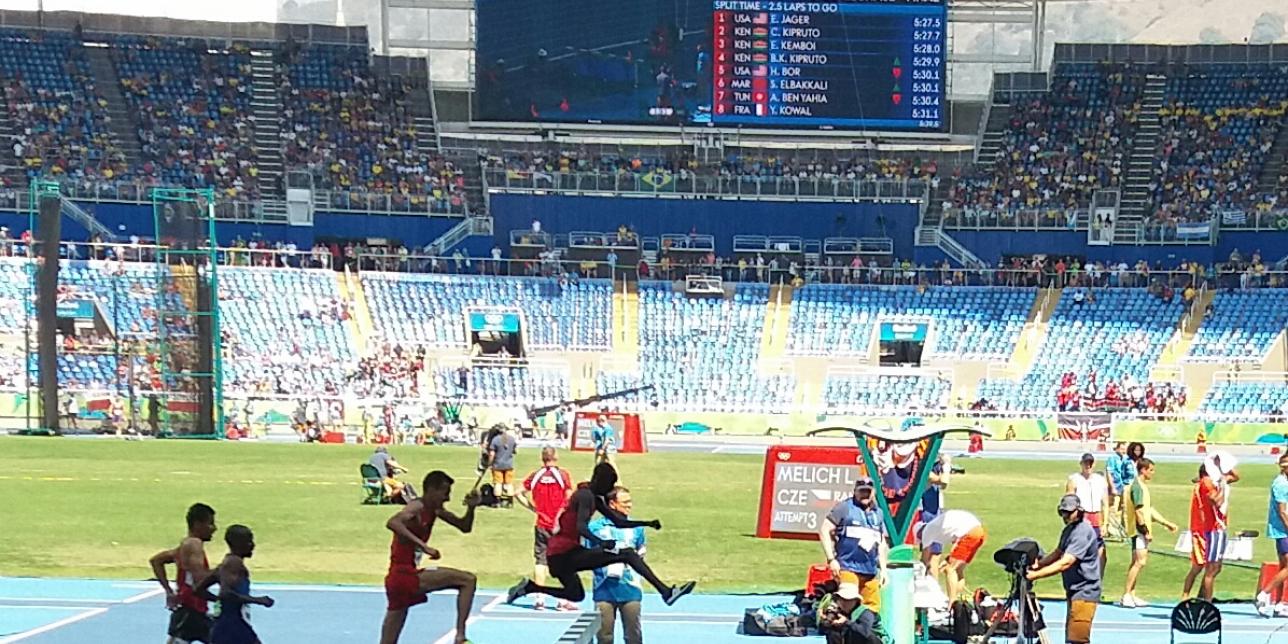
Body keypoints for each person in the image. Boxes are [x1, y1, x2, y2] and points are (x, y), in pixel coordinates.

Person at [505, 463, 695, 607]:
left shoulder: (593, 497)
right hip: (563, 554)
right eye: (610, 484)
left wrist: (646, 523)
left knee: (576, 595)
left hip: (561, 554)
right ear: (601, 481)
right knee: (627, 553)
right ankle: (666, 592)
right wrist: (602, 542)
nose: (611, 488)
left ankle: (530, 587)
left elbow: (618, 521)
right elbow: (580, 527)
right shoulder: (585, 497)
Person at [381, 471, 482, 644]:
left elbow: (464, 527)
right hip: (404, 575)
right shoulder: (417, 506)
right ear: (431, 490)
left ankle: (460, 636)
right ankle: (460, 637)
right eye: (445, 493)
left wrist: (471, 507)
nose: (447, 498)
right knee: (467, 580)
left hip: (398, 578)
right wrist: (424, 546)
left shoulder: (434, 510)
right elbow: (393, 522)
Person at [1027, 494, 1101, 644]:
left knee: (1077, 639)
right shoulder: (1069, 530)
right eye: (1063, 513)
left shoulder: (1082, 532)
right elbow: (1058, 553)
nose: (1065, 516)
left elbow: (1065, 562)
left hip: (1085, 591)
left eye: (1069, 512)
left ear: (1079, 511)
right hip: (1074, 590)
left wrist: (1036, 575)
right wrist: (1038, 564)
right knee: (1071, 636)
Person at [516, 446, 576, 611]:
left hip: (541, 523)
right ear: (555, 457)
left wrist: (532, 508)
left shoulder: (536, 476)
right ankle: (563, 600)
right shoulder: (562, 475)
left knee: (541, 561)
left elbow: (517, 492)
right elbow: (569, 496)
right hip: (559, 525)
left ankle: (539, 598)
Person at [148, 503, 217, 644]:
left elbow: (156, 561)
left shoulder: (183, 546)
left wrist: (168, 591)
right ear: (198, 524)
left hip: (191, 610)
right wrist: (223, 572)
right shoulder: (194, 544)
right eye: (210, 523)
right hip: (190, 609)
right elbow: (200, 579)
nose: (214, 528)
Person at [195, 525, 273, 644]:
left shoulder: (224, 565)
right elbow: (226, 593)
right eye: (248, 541)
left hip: (227, 625)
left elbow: (199, 590)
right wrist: (257, 600)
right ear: (237, 543)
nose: (252, 545)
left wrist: (218, 601)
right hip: (232, 626)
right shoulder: (233, 563)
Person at [587, 486, 646, 644]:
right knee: (604, 636)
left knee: (633, 636)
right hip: (603, 591)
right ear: (612, 504)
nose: (629, 505)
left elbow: (641, 550)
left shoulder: (636, 528)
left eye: (630, 501)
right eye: (625, 502)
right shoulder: (595, 528)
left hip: (631, 590)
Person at [819, 476, 887, 612]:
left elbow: (881, 543)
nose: (865, 495)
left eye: (868, 492)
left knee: (872, 610)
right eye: (862, 491)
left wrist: (884, 569)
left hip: (870, 571)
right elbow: (824, 529)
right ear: (855, 491)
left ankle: (864, 632)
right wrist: (831, 559)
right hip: (847, 567)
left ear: (873, 492)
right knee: (846, 604)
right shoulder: (845, 508)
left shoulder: (878, 513)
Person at [1181, 452, 1239, 601]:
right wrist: (1223, 486)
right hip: (1213, 528)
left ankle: (1202, 596)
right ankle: (1204, 601)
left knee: (1216, 567)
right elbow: (1216, 501)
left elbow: (1236, 476)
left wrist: (1224, 464)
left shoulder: (1216, 481)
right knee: (1208, 568)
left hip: (1218, 527)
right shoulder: (1207, 483)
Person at [1120, 458, 1177, 608]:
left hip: (1140, 530)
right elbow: (1139, 511)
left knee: (1136, 562)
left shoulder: (1143, 487)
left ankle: (1132, 593)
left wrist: (1166, 523)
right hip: (1138, 531)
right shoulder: (1137, 487)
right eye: (1151, 470)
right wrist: (1145, 531)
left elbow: (1148, 510)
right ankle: (1126, 594)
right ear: (1143, 470)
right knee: (1140, 562)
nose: (1153, 473)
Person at [917, 509, 986, 600]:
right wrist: (947, 559)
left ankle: (952, 603)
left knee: (949, 569)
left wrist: (921, 575)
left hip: (969, 534)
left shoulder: (926, 532)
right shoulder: (937, 526)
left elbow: (924, 561)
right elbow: (956, 542)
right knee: (958, 570)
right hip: (979, 531)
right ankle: (956, 599)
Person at [1257, 453, 1288, 617]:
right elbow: (1283, 512)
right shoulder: (1281, 484)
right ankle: (1264, 594)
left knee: (1284, 567)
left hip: (1283, 530)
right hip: (1283, 530)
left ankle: (1279, 605)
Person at [1065, 453, 1109, 570]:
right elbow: (1069, 501)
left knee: (1100, 551)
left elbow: (1105, 503)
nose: (1088, 466)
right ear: (1081, 464)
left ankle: (1098, 579)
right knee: (1080, 549)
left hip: (1096, 516)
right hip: (1082, 517)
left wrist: (1105, 523)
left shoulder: (1100, 480)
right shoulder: (1074, 479)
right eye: (1086, 463)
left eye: (1090, 463)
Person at [816, 571, 885, 644]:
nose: (844, 603)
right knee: (834, 631)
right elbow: (822, 632)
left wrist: (846, 622)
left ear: (855, 600)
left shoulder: (865, 613)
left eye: (848, 600)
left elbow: (865, 633)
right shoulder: (838, 611)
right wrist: (824, 621)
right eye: (842, 599)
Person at [1104, 442, 1136, 540]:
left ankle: (1122, 530)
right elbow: (1109, 473)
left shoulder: (1125, 459)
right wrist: (1112, 487)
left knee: (1123, 509)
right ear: (1117, 449)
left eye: (1125, 449)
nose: (1124, 451)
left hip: (1124, 487)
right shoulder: (1112, 459)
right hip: (1115, 487)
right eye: (1122, 449)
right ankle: (1112, 531)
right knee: (1113, 509)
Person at [488, 425, 519, 505]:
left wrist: (489, 463)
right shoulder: (512, 439)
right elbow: (515, 451)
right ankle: (510, 502)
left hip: (497, 465)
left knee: (498, 483)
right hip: (509, 465)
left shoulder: (495, 440)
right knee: (509, 483)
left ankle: (497, 501)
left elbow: (492, 454)